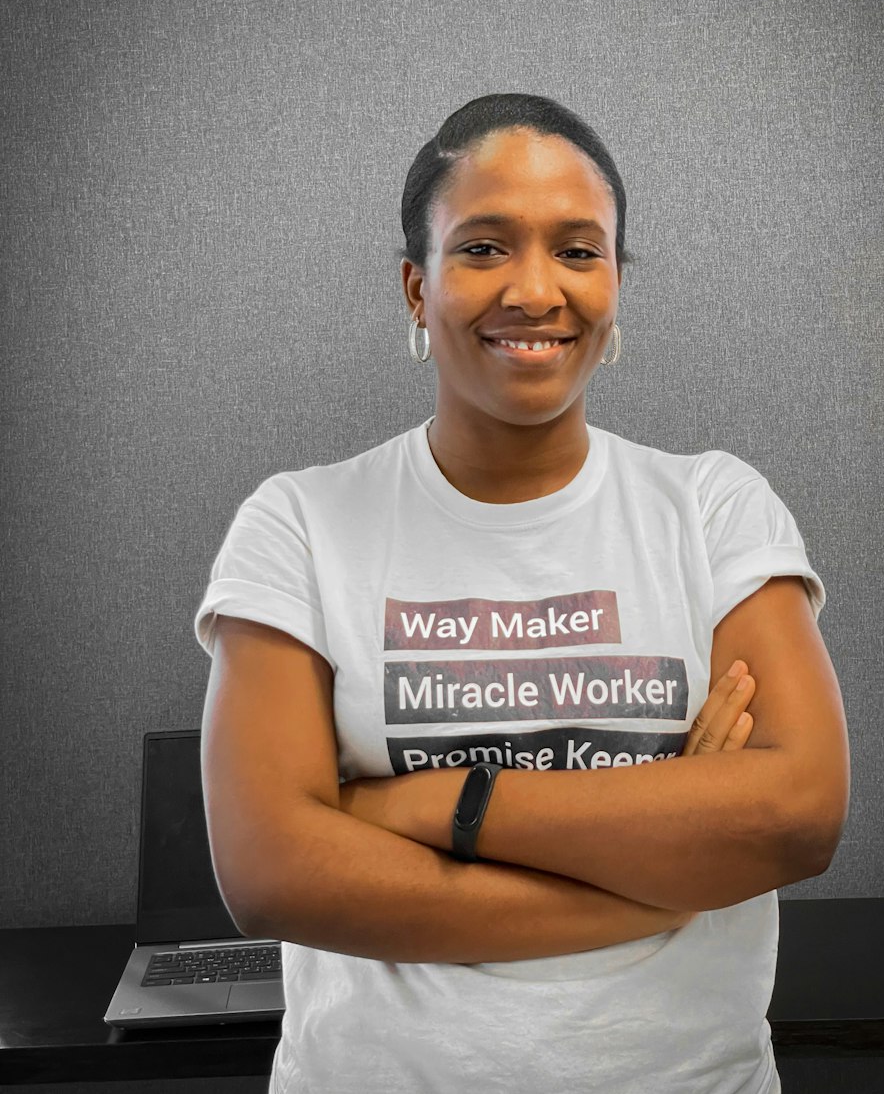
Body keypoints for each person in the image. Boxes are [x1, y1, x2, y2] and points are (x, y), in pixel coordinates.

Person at [194, 92, 850, 1094]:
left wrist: (432, 804)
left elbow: (797, 811)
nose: (534, 289)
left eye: (578, 251)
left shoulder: (714, 507)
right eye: (484, 248)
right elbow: (271, 871)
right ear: (417, 288)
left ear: (617, 284)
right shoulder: (301, 524)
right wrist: (647, 882)